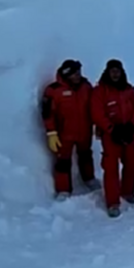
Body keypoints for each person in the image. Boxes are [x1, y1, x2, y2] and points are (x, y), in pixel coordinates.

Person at [41, 59, 100, 201]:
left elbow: (94, 107)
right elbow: (48, 113)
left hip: (84, 131)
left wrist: (97, 125)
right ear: (67, 74)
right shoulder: (54, 90)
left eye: (79, 72)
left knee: (86, 156)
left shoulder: (86, 87)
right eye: (74, 73)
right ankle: (63, 189)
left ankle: (89, 179)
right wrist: (51, 132)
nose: (78, 75)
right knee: (63, 161)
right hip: (64, 134)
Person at [90, 59, 134, 218]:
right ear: (107, 72)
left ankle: (128, 191)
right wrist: (111, 129)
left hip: (128, 132)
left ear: (122, 72)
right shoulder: (100, 91)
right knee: (111, 168)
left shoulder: (129, 89)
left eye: (117, 71)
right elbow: (97, 113)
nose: (115, 74)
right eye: (112, 71)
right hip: (111, 135)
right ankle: (112, 202)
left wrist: (133, 125)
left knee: (131, 163)